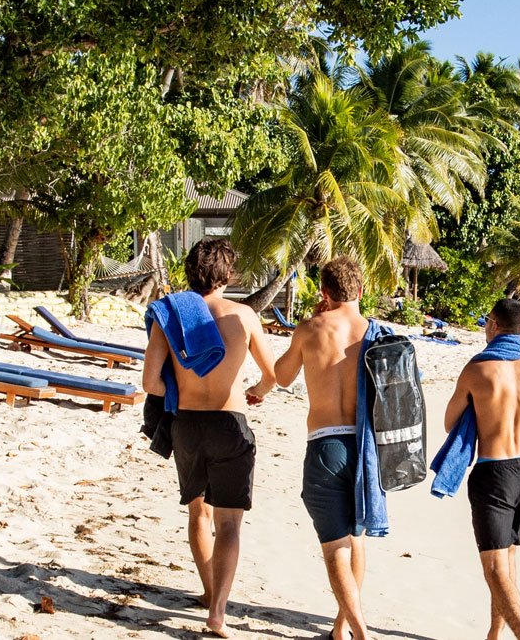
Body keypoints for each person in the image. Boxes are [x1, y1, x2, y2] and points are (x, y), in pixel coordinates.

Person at [142, 239, 278, 638]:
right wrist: (255, 391)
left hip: (185, 424)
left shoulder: (171, 317)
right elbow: (272, 376)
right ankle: (217, 611)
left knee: (197, 513)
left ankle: (206, 591)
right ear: (228, 274)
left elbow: (150, 381)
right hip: (228, 422)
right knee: (230, 523)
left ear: (189, 271)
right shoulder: (244, 315)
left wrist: (178, 384)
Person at [270, 258, 378, 640]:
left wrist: (308, 326)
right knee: (357, 538)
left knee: (335, 548)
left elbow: (281, 378)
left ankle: (360, 633)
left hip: (326, 445)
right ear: (361, 291)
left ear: (324, 293)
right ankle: (339, 629)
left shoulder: (311, 328)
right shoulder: (376, 334)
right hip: (367, 450)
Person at [441, 299, 520, 639]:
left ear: (493, 324)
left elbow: (449, 423)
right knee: (508, 557)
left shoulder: (478, 369)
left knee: (493, 567)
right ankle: (494, 633)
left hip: (495, 472)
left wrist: (480, 409)